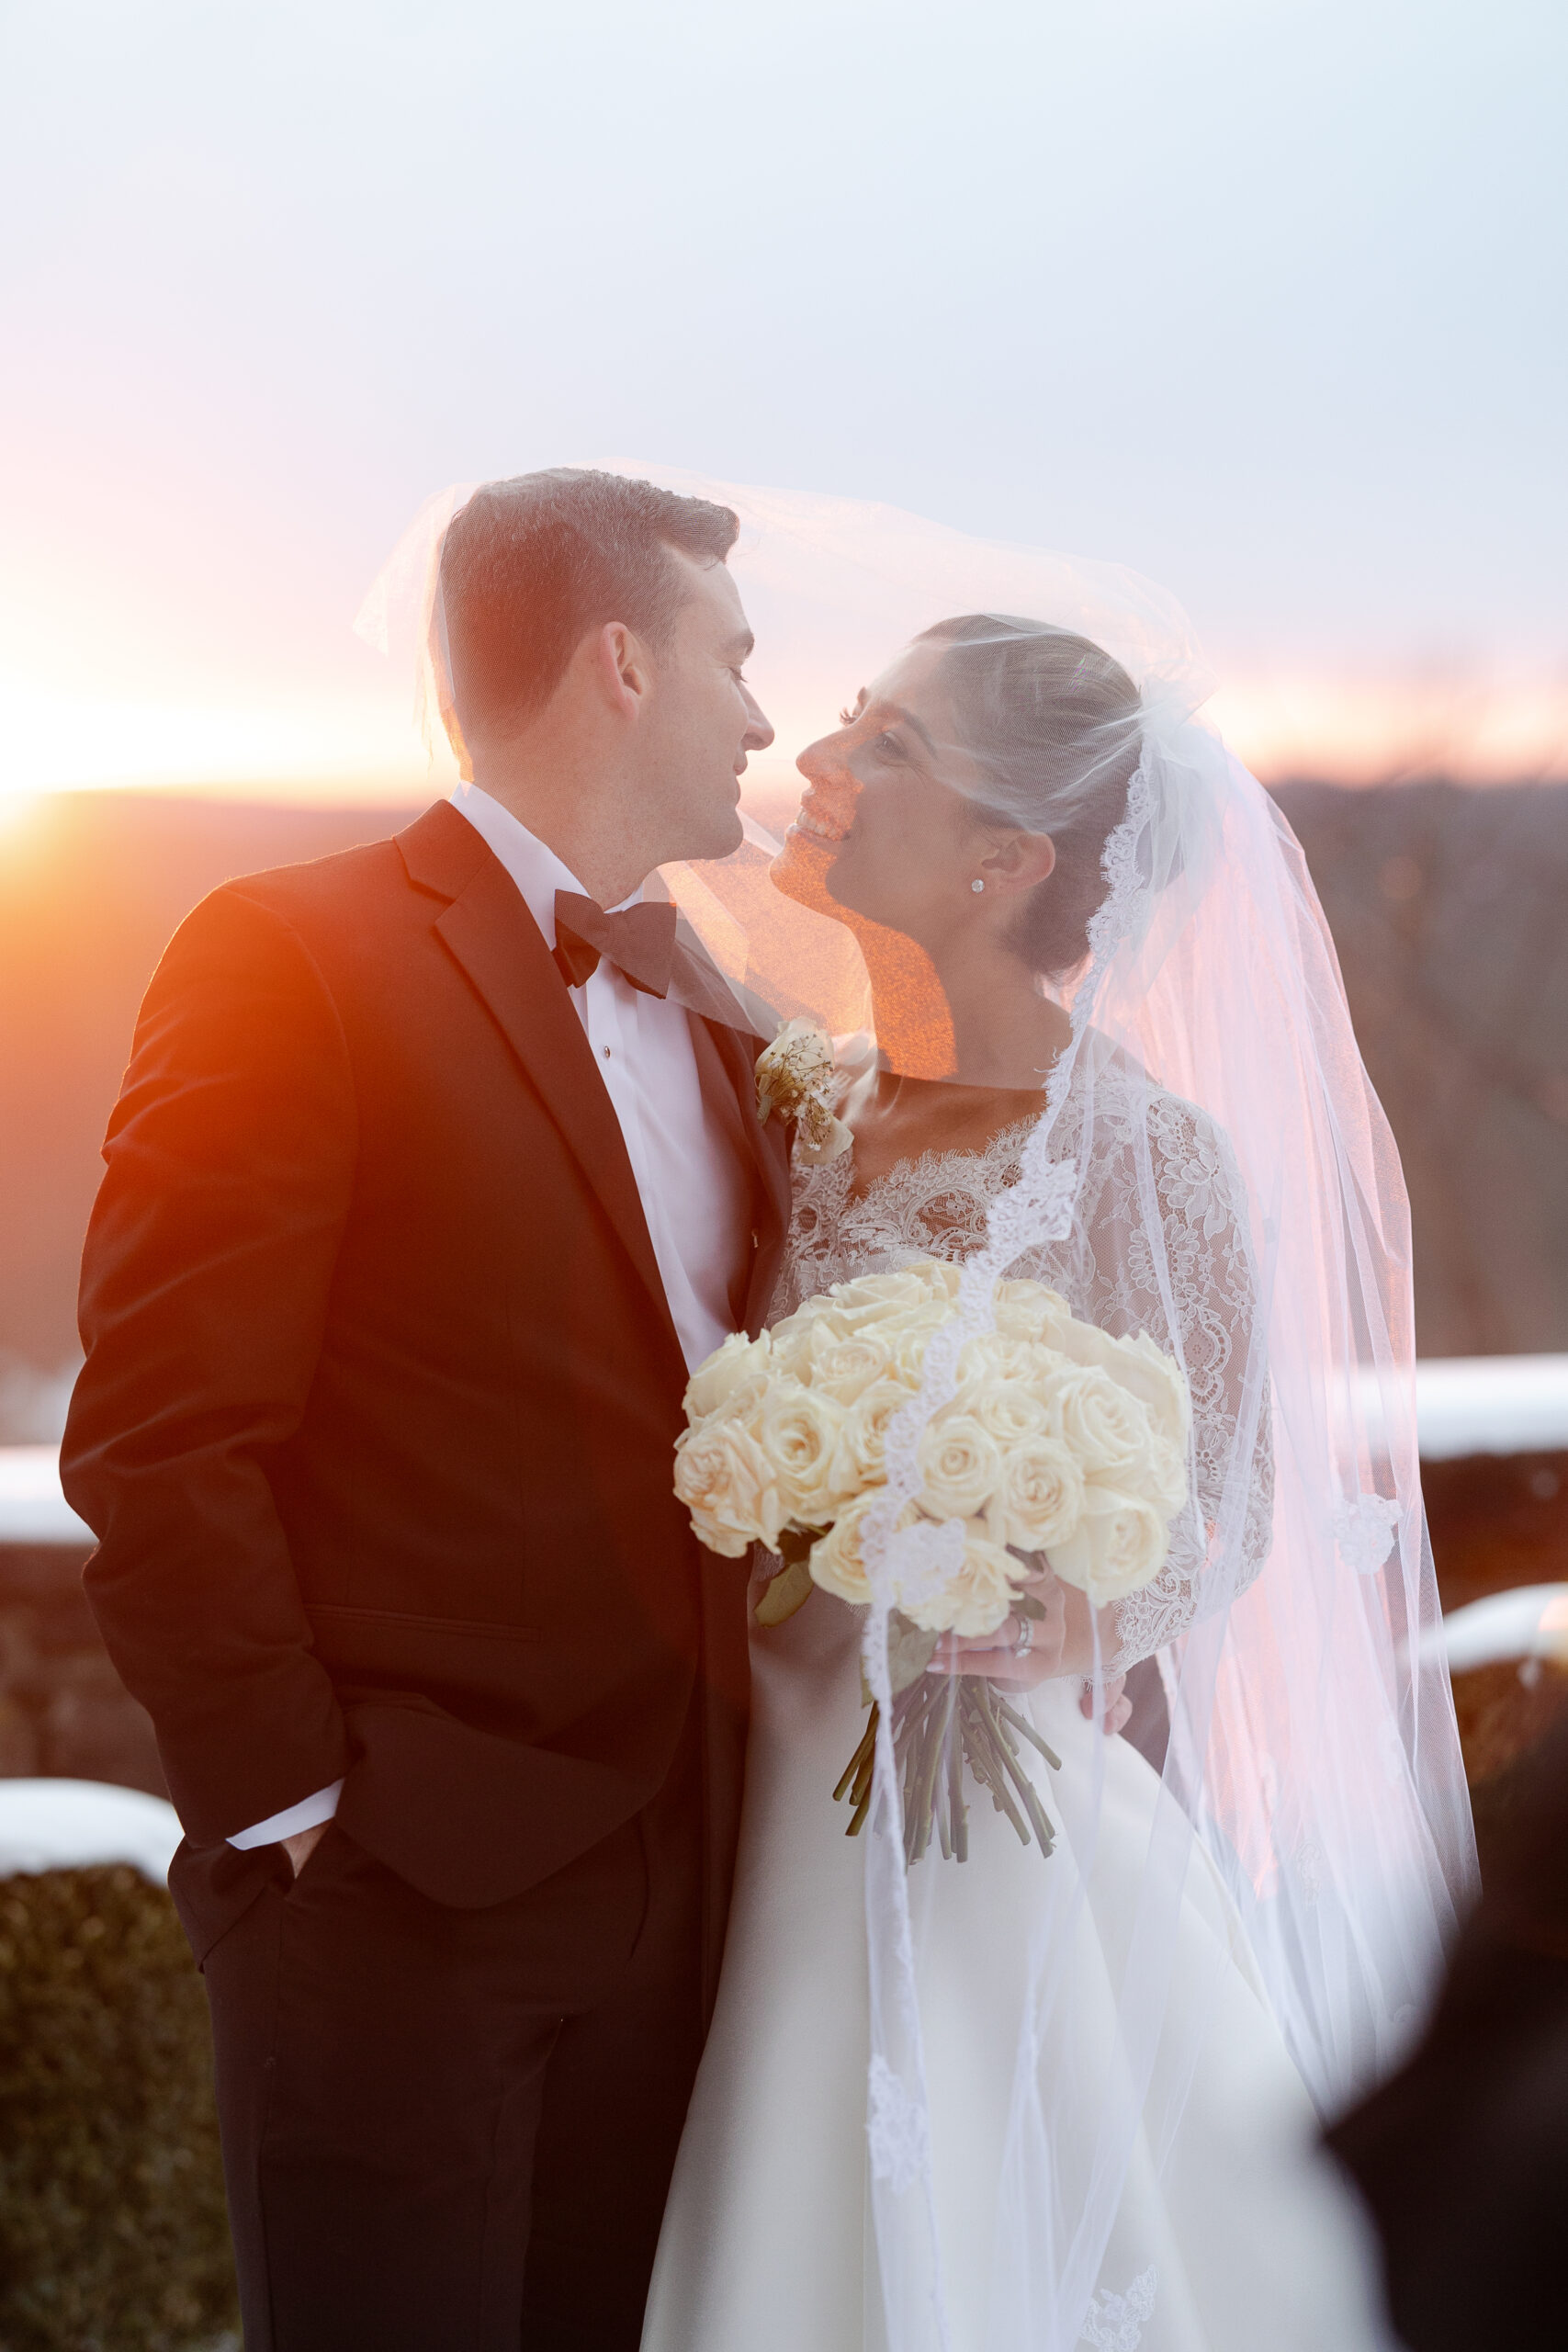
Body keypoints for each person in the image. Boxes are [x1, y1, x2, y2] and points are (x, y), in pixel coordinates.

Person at [630, 477, 1476, 2352]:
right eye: (848, 713)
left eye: (890, 744)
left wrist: (1069, 1616)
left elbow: (1233, 1506)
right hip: (749, 1796)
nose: (821, 757)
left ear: (1003, 859)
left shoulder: (1144, 1156)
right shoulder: (797, 1103)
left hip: (976, 1819)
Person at [61, 469, 793, 2351]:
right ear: (621, 663)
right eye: (734, 657)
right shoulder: (288, 949)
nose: (763, 713)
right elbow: (158, 1431)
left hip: (697, 1892)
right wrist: (301, 1815)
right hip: (399, 1899)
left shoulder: (719, 994)